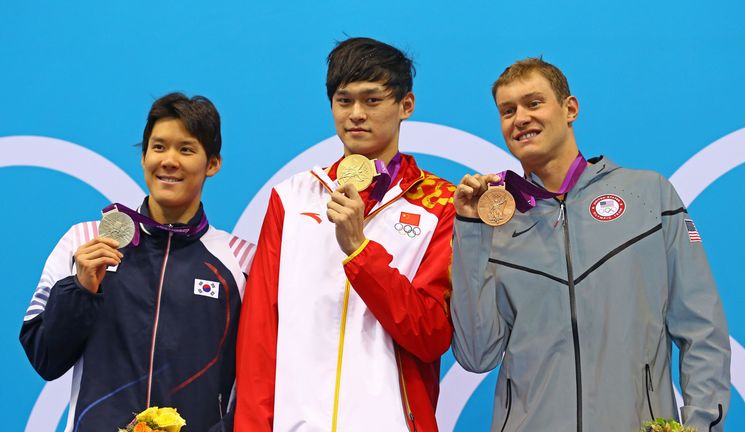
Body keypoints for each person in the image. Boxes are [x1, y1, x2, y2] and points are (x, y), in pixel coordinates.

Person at [450, 58, 730, 431]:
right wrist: (470, 230)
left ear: (570, 109)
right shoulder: (494, 223)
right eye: (507, 110)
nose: (519, 118)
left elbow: (702, 329)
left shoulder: (649, 195)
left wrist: (701, 426)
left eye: (534, 103)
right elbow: (476, 354)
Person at [235, 37, 455, 432]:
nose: (356, 114)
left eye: (372, 100)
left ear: (407, 105)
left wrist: (359, 250)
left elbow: (431, 334)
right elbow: (259, 337)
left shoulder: (442, 204)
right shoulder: (291, 197)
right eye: (344, 100)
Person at [20, 93, 254, 432]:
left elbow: (261, 381)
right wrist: (81, 290)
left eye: (186, 149)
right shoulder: (83, 241)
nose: (169, 161)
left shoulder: (242, 262)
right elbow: (45, 357)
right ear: (143, 157)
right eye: (158, 147)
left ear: (213, 163)